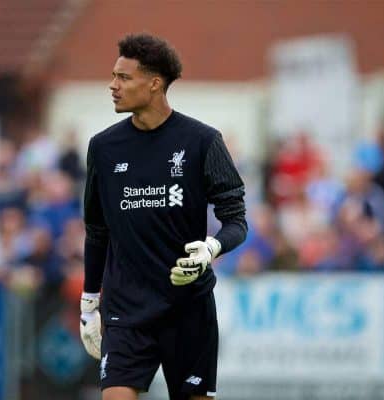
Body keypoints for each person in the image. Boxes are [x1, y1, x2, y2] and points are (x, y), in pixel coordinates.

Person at [79, 33, 247, 400]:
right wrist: (90, 302)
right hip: (126, 311)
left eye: (123, 78)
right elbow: (96, 231)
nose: (113, 85)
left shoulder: (202, 141)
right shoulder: (103, 148)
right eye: (113, 76)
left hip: (187, 308)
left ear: (154, 83)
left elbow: (237, 220)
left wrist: (212, 248)